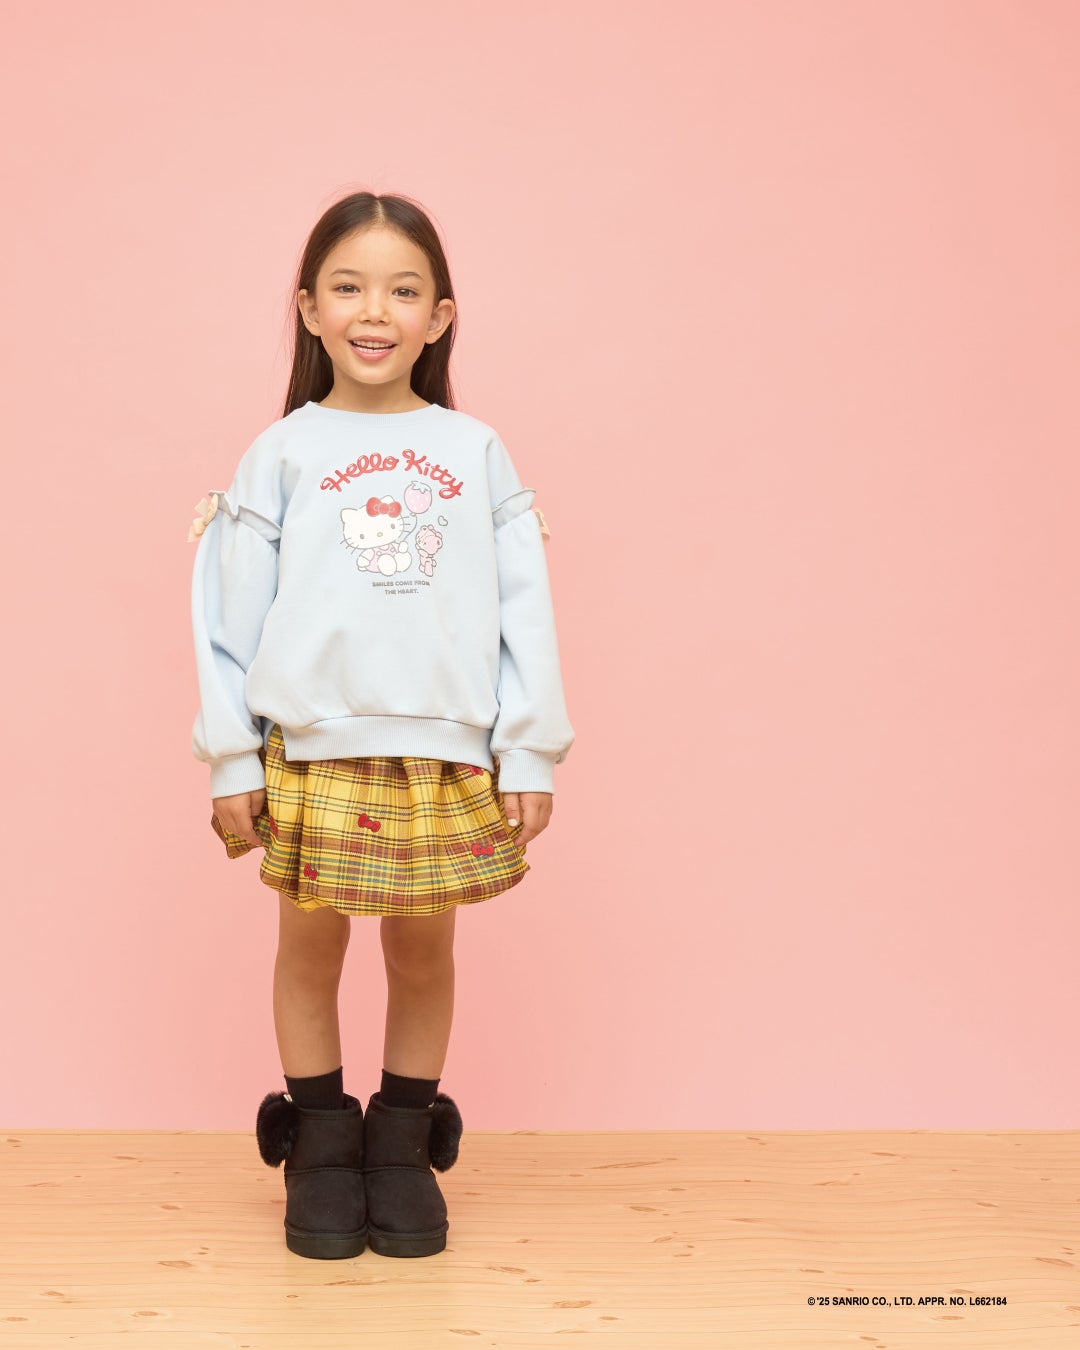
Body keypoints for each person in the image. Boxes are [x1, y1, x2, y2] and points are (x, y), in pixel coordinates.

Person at [186, 190, 574, 1262]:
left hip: (441, 750)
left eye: (403, 291)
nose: (374, 311)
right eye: (348, 288)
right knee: (308, 947)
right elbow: (225, 620)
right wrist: (231, 757)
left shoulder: (476, 450)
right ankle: (319, 1145)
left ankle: (402, 1147)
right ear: (308, 308)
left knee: (424, 952)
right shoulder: (281, 453)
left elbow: (526, 609)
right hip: (313, 747)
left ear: (440, 317)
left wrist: (528, 747)